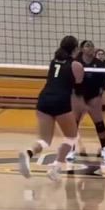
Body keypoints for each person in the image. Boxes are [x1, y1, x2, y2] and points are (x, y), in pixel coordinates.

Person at [18, 35, 84, 180]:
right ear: (75, 48)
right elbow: (79, 82)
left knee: (44, 140)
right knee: (72, 137)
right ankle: (56, 168)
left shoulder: (53, 61)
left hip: (44, 99)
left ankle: (28, 153)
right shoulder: (76, 65)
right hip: (61, 101)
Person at [68, 40, 105, 163]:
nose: (91, 47)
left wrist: (100, 98)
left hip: (93, 97)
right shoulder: (76, 62)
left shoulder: (99, 64)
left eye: (92, 46)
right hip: (78, 96)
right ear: (82, 49)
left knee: (99, 124)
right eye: (88, 45)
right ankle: (71, 150)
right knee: (74, 124)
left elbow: (102, 84)